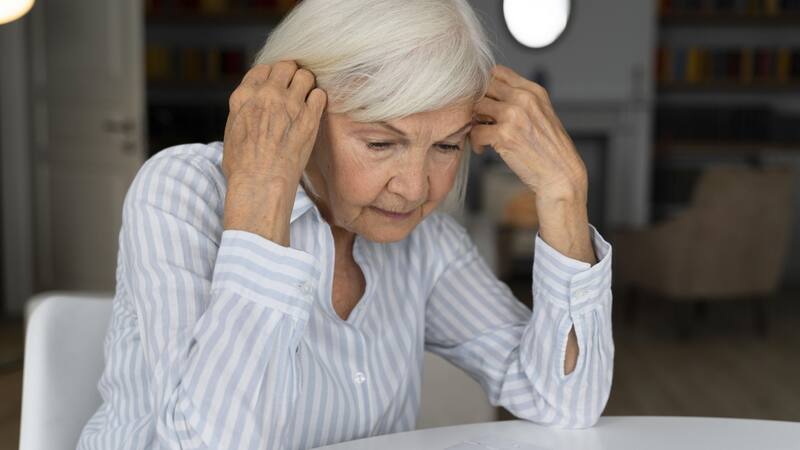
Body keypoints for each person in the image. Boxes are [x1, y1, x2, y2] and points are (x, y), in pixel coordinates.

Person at [77, 0, 614, 448]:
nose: (416, 188)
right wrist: (263, 189)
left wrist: (564, 191)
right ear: (297, 111)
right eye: (381, 143)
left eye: (446, 146)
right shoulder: (181, 192)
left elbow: (564, 399)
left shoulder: (426, 243)